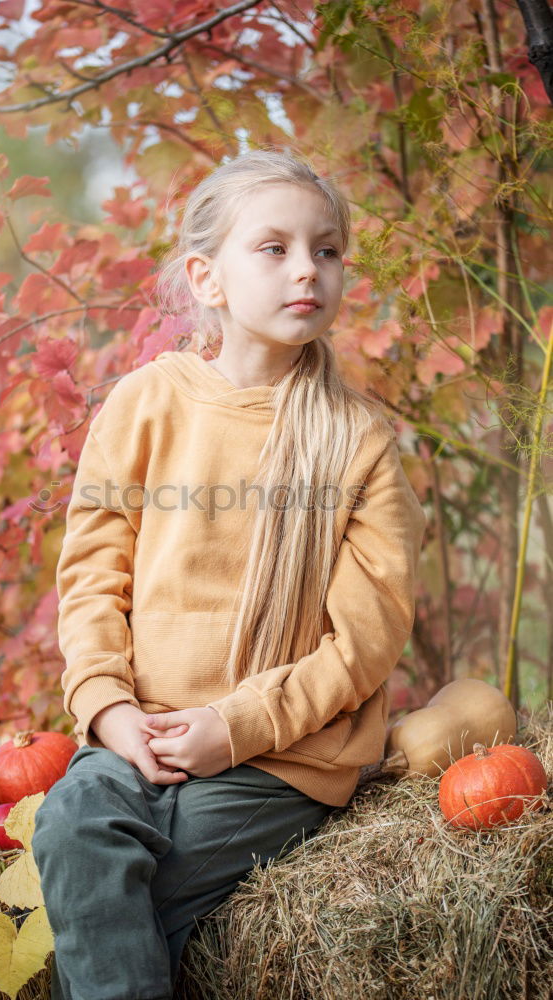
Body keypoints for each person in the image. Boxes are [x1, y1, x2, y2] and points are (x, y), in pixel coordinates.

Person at [31, 146, 428, 1000]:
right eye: (274, 248)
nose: (307, 270)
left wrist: (234, 727)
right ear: (207, 279)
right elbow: (94, 576)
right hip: (144, 736)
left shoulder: (356, 442)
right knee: (70, 824)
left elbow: (364, 643)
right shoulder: (144, 404)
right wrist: (108, 709)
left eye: (326, 249)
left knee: (121, 896)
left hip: (280, 758)